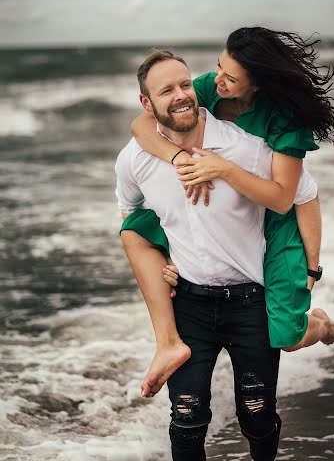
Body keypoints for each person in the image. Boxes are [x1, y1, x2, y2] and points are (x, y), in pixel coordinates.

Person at [115, 52, 323, 460]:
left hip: (250, 299)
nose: (181, 96)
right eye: (166, 90)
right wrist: (162, 257)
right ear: (147, 104)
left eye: (185, 85)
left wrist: (312, 269)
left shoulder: (244, 148)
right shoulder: (135, 159)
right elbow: (129, 210)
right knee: (187, 419)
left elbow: (303, 195)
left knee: (257, 416)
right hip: (189, 302)